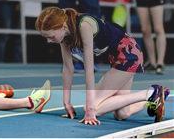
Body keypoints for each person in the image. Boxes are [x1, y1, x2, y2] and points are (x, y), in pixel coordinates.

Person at [36, 7, 169, 125]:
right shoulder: (64, 36)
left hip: (128, 55)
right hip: (117, 58)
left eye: (51, 36)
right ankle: (154, 93)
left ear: (62, 26)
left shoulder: (84, 25)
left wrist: (90, 109)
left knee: (95, 108)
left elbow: (89, 69)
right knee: (122, 114)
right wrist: (67, 102)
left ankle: (152, 93)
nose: (49, 41)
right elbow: (67, 68)